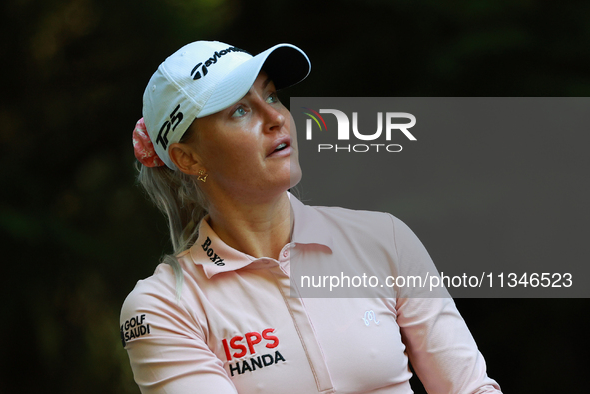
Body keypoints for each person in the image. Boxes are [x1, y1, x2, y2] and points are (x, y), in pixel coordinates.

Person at [121, 40, 502, 394]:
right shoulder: (163, 307)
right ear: (189, 158)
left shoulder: (383, 238)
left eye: (271, 95)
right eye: (240, 109)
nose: (276, 117)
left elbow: (471, 388)